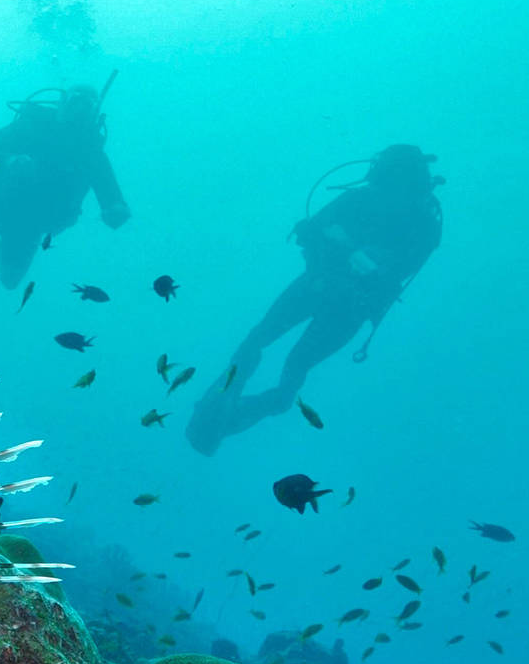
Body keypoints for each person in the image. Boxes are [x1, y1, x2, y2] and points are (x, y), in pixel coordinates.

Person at [188, 145, 442, 456]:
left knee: (275, 354)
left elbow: (392, 270)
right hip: (334, 295)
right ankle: (220, 412)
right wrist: (340, 253)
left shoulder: (412, 218)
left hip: (337, 297)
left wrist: (344, 251)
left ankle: (222, 412)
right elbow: (312, 232)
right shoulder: (400, 212)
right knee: (271, 353)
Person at [0, 83, 129, 289]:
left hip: (32, 223)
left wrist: (116, 212)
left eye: (87, 106)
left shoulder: (92, 153)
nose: (79, 110)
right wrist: (7, 161)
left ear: (94, 113)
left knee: (9, 282)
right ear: (62, 102)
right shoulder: (31, 126)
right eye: (75, 101)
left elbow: (112, 199)